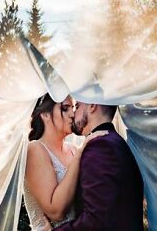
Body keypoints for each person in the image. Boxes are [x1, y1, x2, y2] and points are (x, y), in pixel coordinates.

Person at [54, 102, 144, 231]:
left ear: (92, 105)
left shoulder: (100, 147)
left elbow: (96, 222)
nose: (73, 113)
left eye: (77, 106)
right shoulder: (113, 141)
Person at [23, 94, 108, 230]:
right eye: (64, 108)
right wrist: (80, 154)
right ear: (44, 114)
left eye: (73, 108)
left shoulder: (74, 150)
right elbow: (56, 211)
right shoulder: (35, 149)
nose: (72, 114)